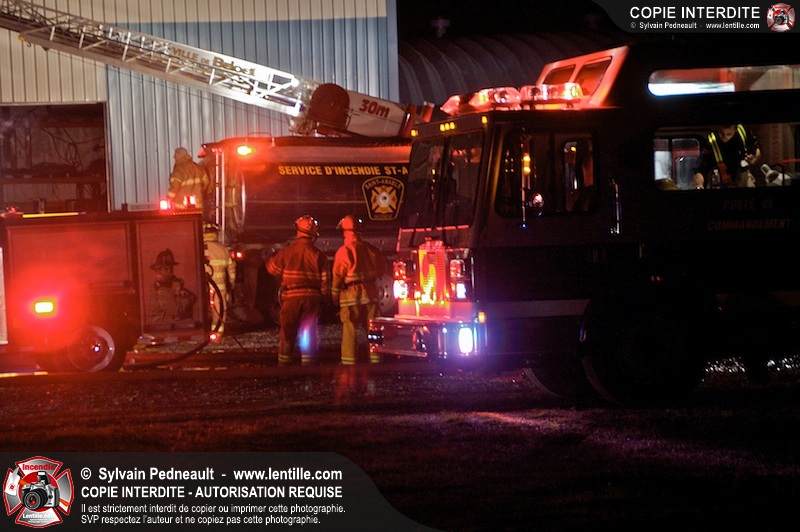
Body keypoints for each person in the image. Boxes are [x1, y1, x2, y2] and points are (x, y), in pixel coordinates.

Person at [265, 215, 330, 366]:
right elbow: (325, 282)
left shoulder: (288, 251)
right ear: (313, 234)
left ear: (298, 231)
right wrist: (325, 298)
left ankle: (284, 366)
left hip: (291, 298)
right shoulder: (319, 255)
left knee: (288, 331)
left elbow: (272, 269)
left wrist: (269, 257)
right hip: (312, 299)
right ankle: (308, 366)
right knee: (309, 332)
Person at [331, 215, 386, 365]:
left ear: (345, 232)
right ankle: (377, 361)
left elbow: (337, 277)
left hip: (351, 296)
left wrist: (334, 296)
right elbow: (382, 270)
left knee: (350, 329)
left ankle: (349, 364)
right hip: (371, 294)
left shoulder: (343, 251)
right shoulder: (372, 250)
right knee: (374, 329)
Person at [694, 124, 761, 189]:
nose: (724, 138)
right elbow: (701, 170)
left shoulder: (743, 130)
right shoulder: (710, 141)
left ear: (735, 129)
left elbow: (756, 147)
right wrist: (699, 185)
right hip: (722, 182)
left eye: (728, 134)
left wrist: (755, 157)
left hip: (744, 178)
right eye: (721, 133)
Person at [203, 223, 236, 336]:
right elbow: (231, 269)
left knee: (202, 310)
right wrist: (231, 283)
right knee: (220, 309)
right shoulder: (223, 250)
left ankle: (203, 333)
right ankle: (217, 334)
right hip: (219, 288)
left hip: (202, 288)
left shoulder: (198, 248)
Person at [167, 147, 210, 211]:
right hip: (198, 205)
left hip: (181, 206)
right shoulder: (197, 167)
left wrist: (169, 199)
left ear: (178, 155)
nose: (174, 157)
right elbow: (206, 182)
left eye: (175, 155)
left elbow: (175, 187)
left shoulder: (179, 169)